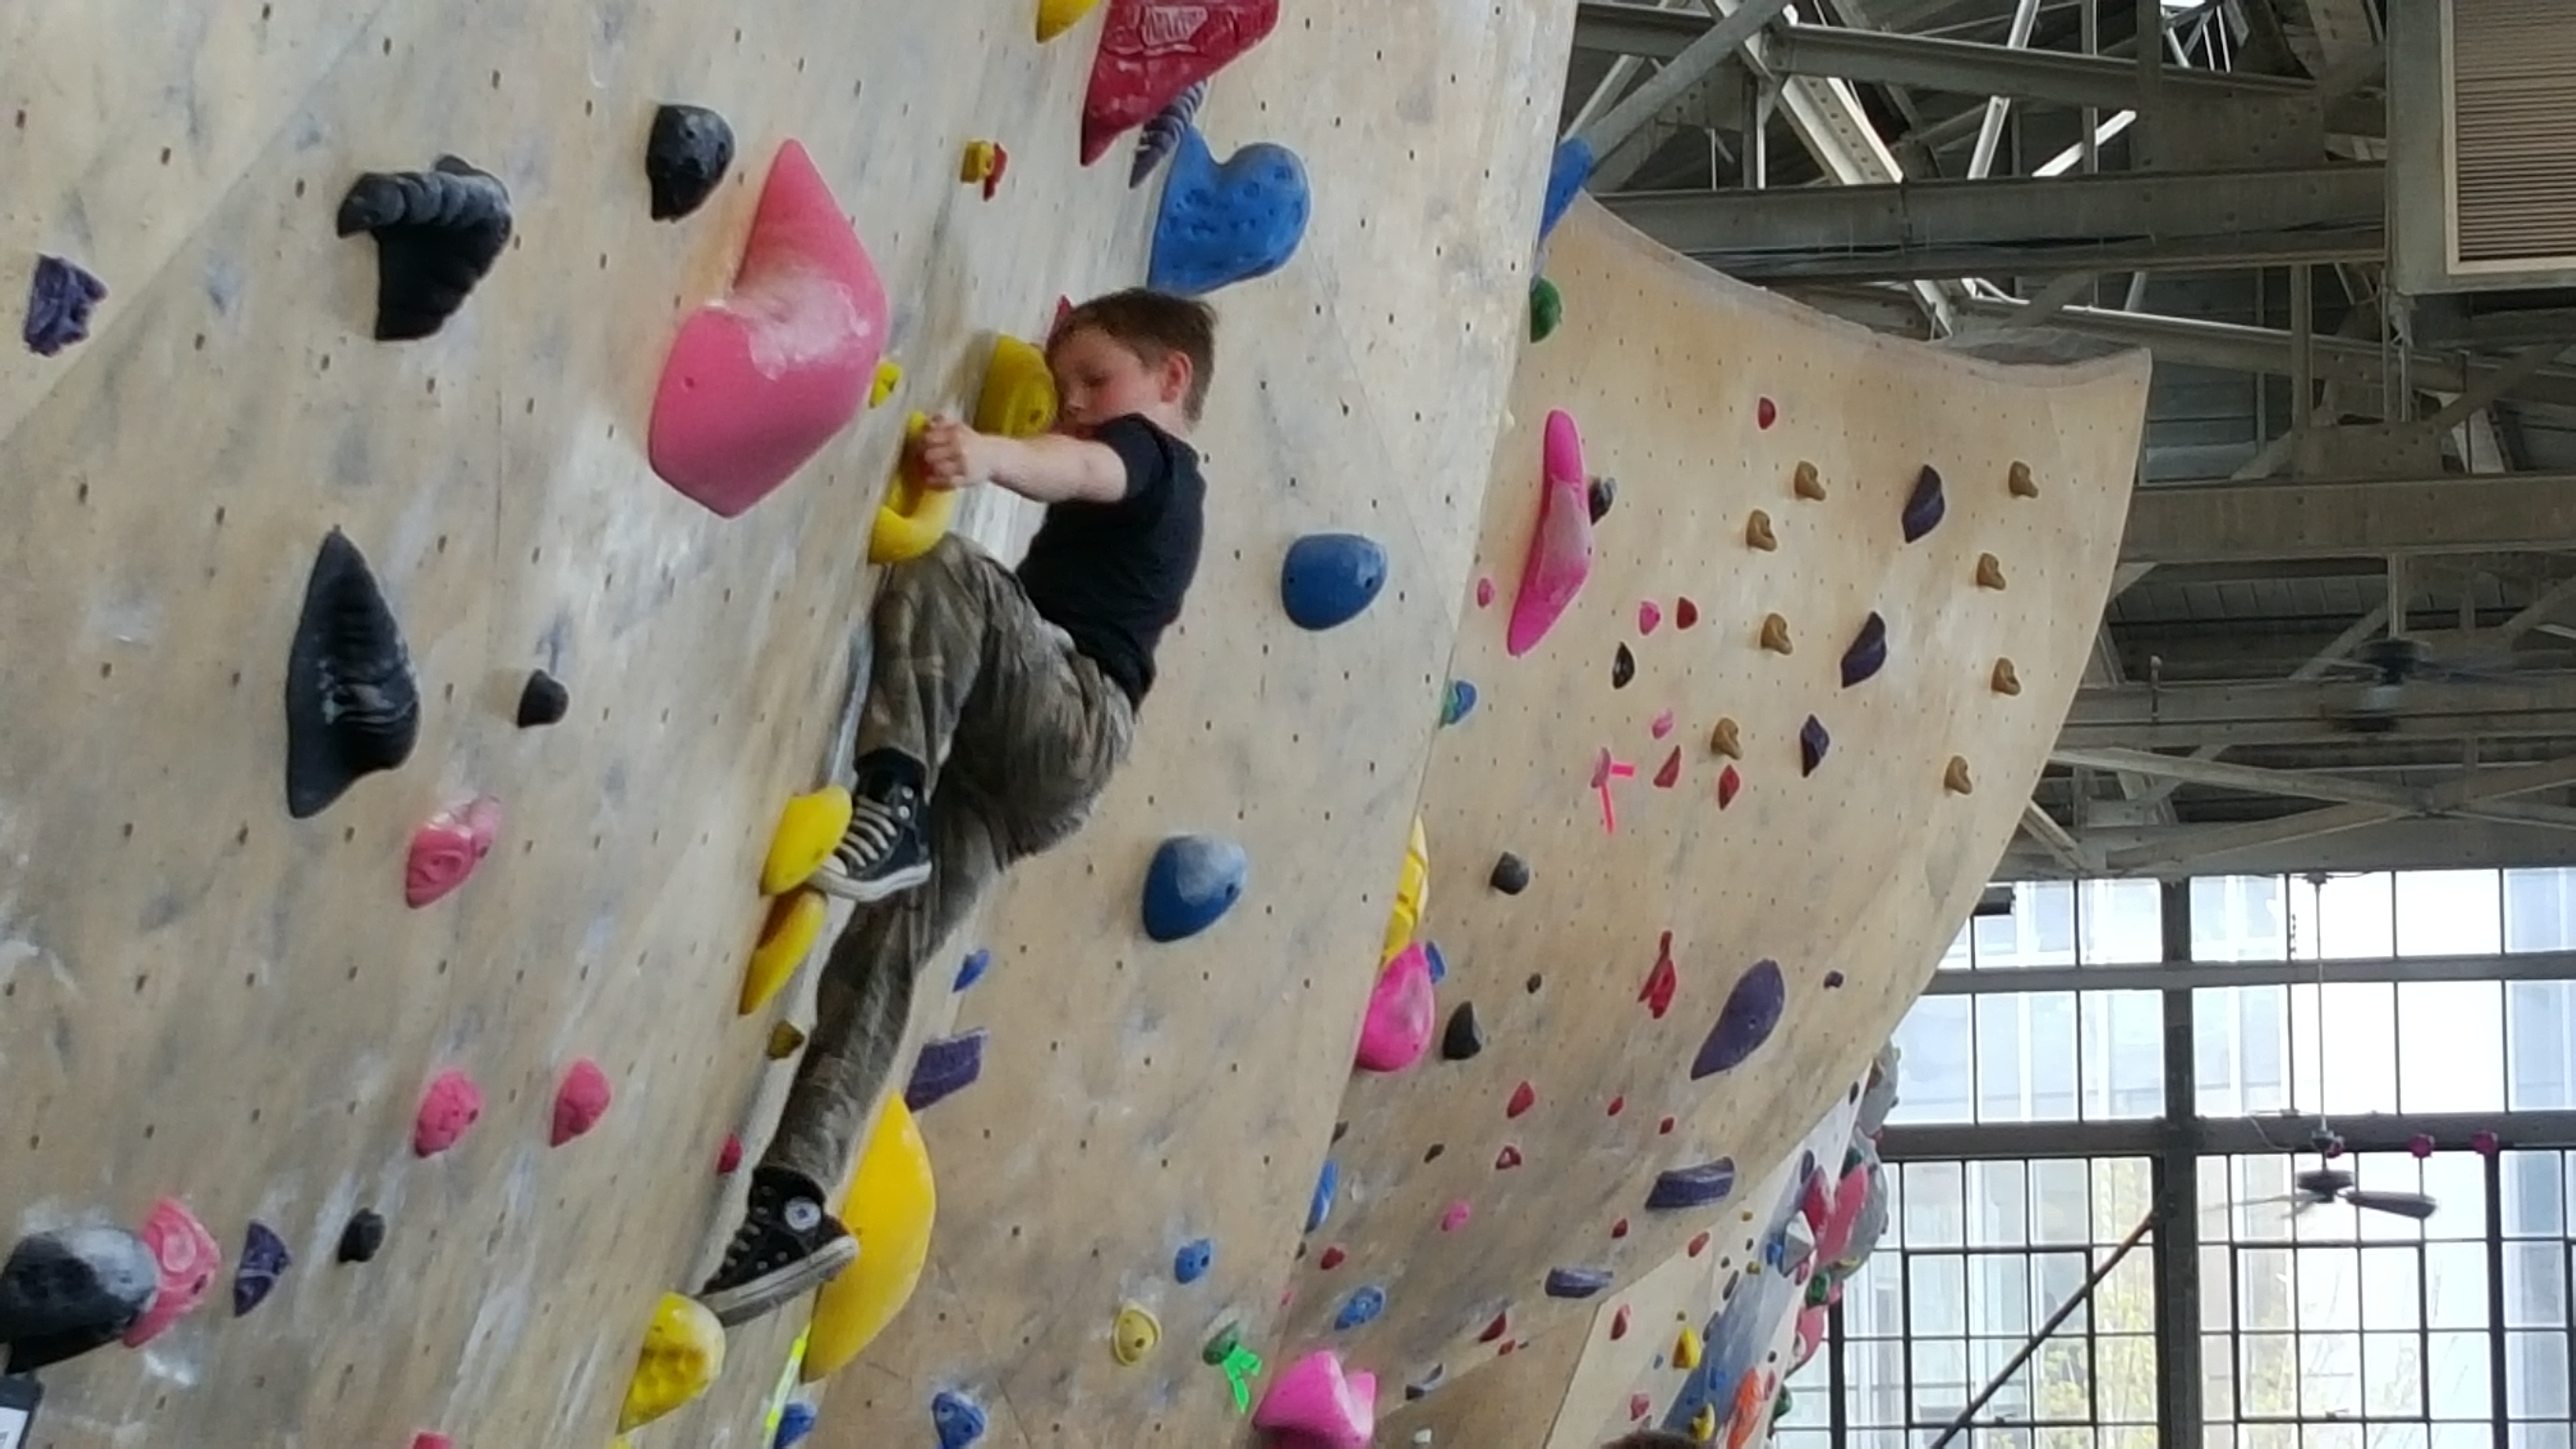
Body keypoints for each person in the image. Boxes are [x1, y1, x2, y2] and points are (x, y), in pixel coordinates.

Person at [695, 289, 1216, 1326]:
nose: (1074, 406)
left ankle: (887, 800)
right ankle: (793, 1207)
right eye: (1066, 385)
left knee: (947, 570)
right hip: (1011, 774)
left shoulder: (1153, 464)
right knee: (874, 966)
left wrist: (984, 454)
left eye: (1096, 383)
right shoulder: (1132, 448)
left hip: (1069, 712)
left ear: (1170, 382)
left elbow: (1081, 468)